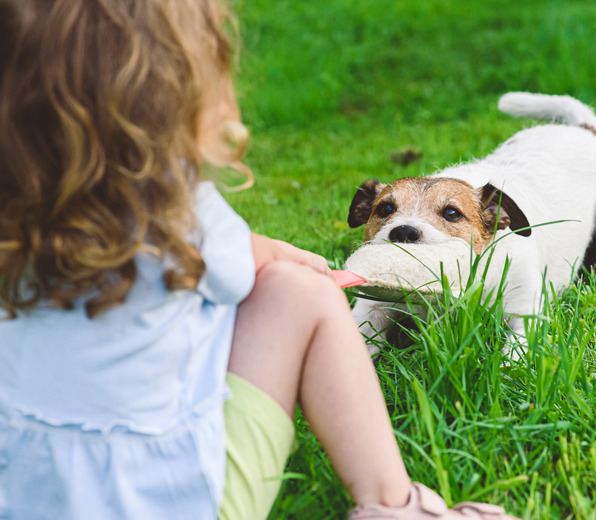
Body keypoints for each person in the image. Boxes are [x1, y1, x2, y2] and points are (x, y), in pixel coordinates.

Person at [0, 0, 520, 519]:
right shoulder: (179, 211)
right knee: (301, 293)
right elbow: (250, 263)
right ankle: (396, 505)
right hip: (184, 502)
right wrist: (303, 262)